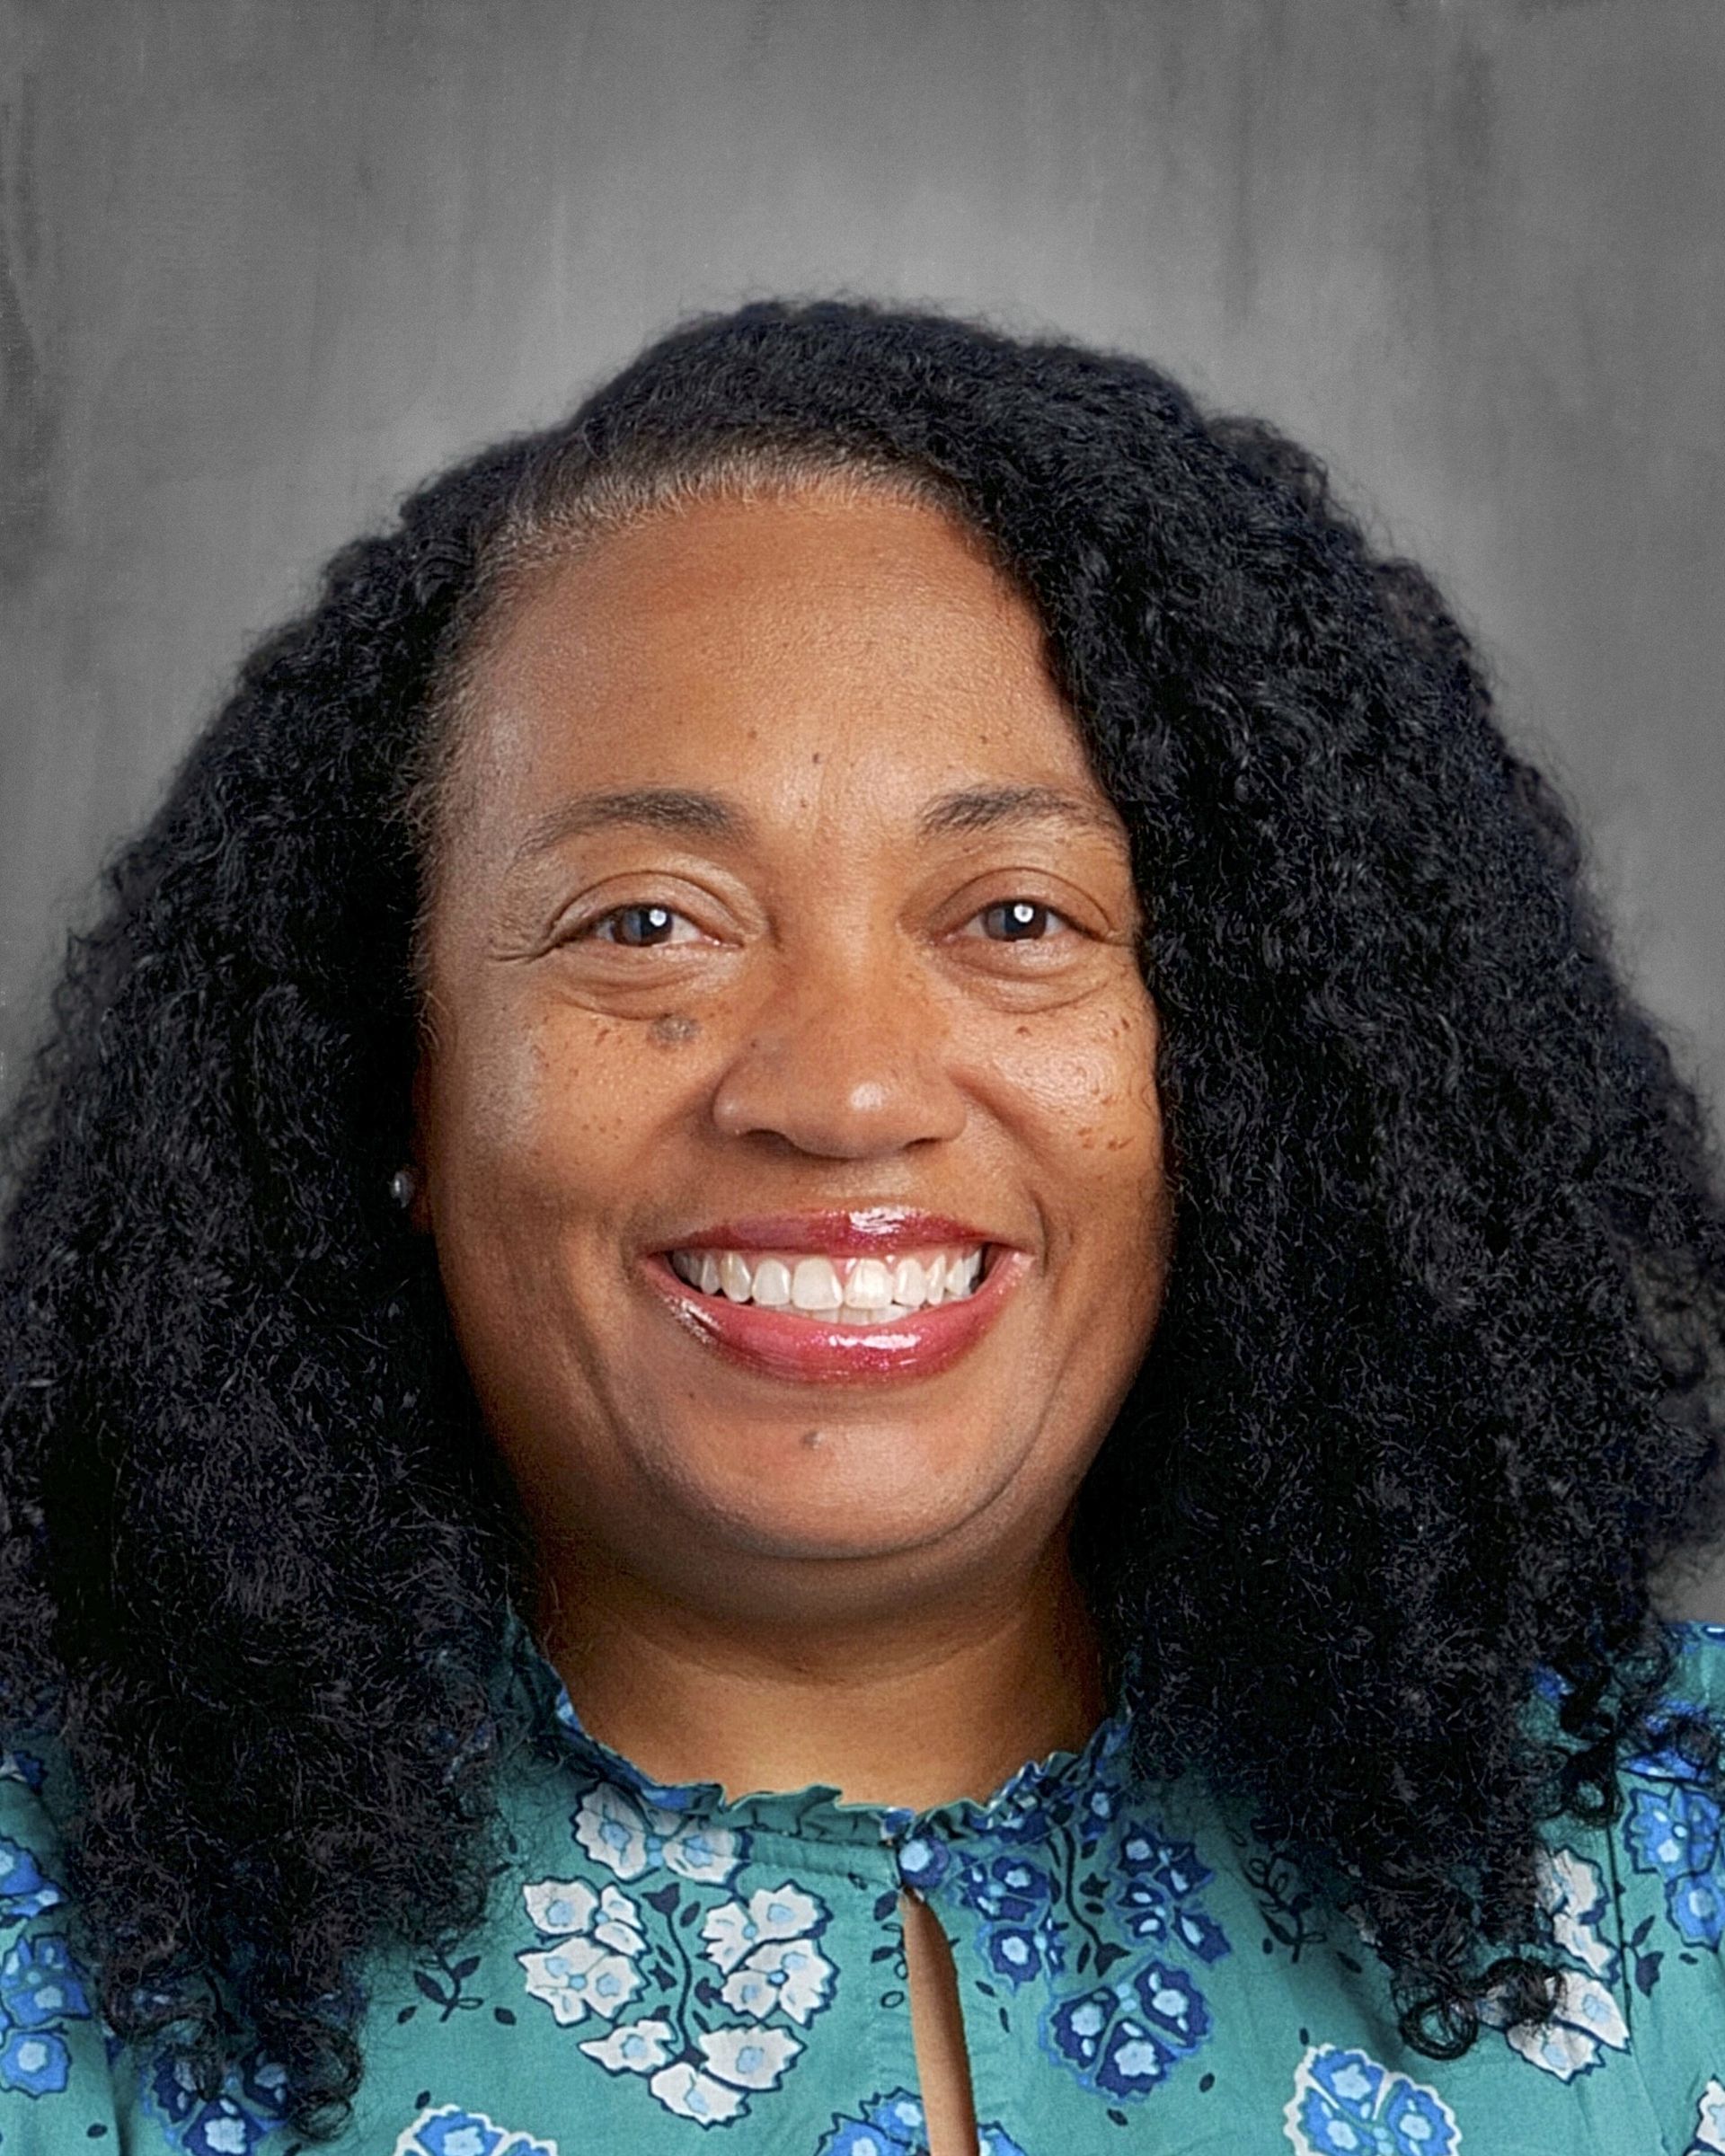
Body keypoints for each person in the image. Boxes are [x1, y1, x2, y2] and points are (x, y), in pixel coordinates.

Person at [1, 298, 1722, 2156]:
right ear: (391, 1072)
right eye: (646, 923)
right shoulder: (49, 1930)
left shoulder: (1670, 1890)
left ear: (1251, 1069)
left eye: (1018, 920)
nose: (839, 1094)